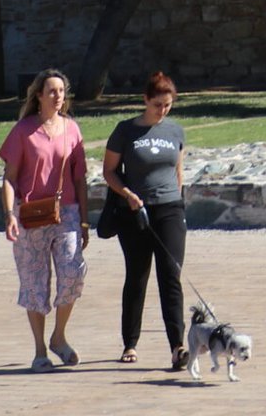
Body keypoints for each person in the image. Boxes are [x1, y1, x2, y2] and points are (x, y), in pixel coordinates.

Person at [0, 69, 89, 370]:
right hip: (30, 213)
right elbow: (9, 177)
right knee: (34, 282)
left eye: (62, 90)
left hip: (67, 212)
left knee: (73, 273)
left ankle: (59, 337)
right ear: (38, 95)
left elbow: (80, 179)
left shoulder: (73, 129)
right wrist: (10, 214)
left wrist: (85, 221)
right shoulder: (23, 130)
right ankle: (40, 351)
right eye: (52, 90)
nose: (58, 96)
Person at [101, 72, 188, 370]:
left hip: (170, 210)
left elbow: (178, 170)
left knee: (170, 275)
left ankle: (178, 346)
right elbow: (109, 171)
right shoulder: (125, 131)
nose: (162, 111)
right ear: (145, 101)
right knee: (137, 276)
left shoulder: (176, 131)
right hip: (134, 211)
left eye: (167, 105)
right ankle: (130, 342)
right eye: (157, 105)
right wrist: (127, 194)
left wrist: (179, 200)